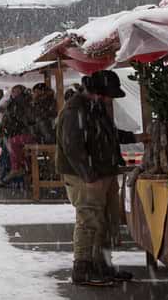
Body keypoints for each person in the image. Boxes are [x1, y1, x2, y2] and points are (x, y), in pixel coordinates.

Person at [55, 69, 131, 287]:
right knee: (89, 221)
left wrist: (135, 137)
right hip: (85, 176)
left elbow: (108, 133)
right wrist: (88, 174)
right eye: (108, 95)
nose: (109, 100)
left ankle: (103, 265)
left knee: (105, 221)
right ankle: (82, 269)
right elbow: (73, 147)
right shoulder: (74, 110)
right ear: (97, 92)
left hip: (101, 173)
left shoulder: (94, 107)